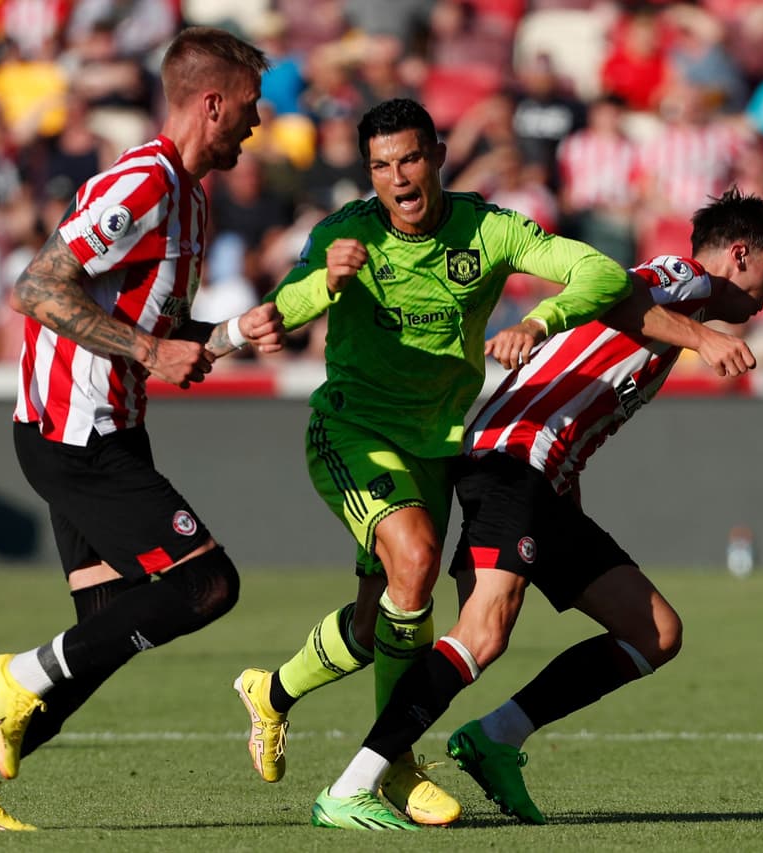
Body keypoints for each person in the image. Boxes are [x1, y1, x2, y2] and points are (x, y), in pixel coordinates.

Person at [315, 188, 763, 830]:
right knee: (483, 632)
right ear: (739, 254)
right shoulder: (685, 281)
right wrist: (704, 340)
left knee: (654, 632)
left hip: (545, 482)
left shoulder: (684, 313)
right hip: (511, 460)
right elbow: (614, 293)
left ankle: (497, 737)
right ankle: (352, 787)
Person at [232, 97, 656, 831]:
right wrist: (324, 281)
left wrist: (539, 318)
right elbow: (282, 307)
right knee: (419, 562)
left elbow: (601, 274)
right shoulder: (345, 233)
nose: (397, 178)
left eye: (409, 159)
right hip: (352, 431)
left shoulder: (486, 229)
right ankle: (390, 766)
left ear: (437, 156)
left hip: (437, 444)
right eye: (380, 165)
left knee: (376, 623)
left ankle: (270, 692)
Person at [0, 27, 282, 832]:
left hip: (109, 427)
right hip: (74, 434)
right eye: (249, 109)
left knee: (104, 635)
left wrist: (228, 335)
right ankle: (11, 675)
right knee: (206, 583)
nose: (257, 124)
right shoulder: (143, 181)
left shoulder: (190, 193)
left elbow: (159, 317)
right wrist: (152, 349)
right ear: (211, 103)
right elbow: (35, 284)